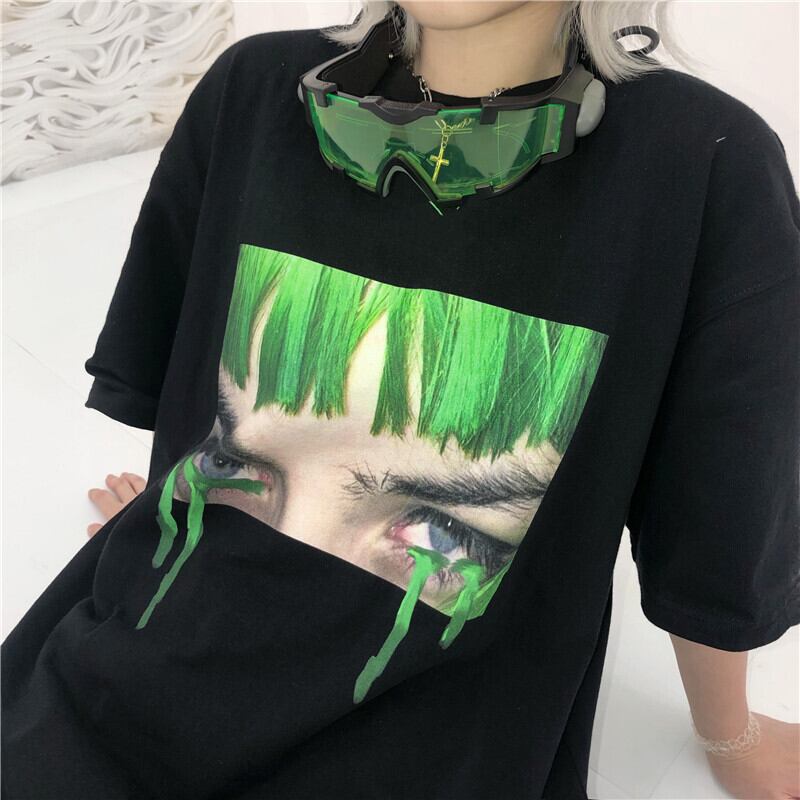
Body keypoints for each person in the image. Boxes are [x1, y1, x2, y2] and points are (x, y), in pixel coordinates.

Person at [3, 2, 799, 798]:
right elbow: (198, 403)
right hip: (107, 697)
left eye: (440, 535)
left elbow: (715, 541)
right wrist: (192, 510)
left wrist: (729, 737)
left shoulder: (700, 165)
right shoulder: (252, 87)